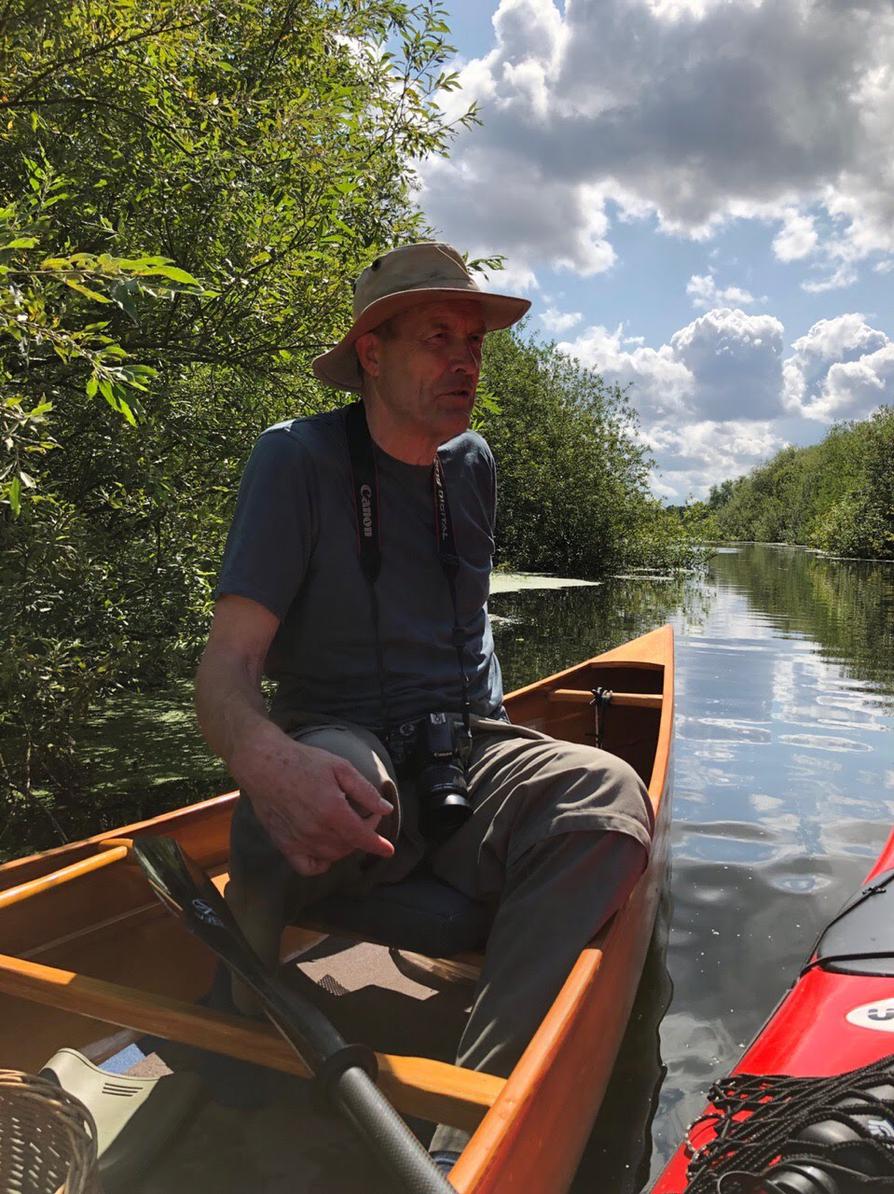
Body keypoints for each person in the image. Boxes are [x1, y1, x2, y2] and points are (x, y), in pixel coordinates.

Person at [195, 241, 654, 1171]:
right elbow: (225, 671)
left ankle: (473, 1135)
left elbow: (466, 626)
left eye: (476, 343)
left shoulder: (472, 464)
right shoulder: (297, 461)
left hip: (464, 744)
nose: (466, 361)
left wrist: (505, 755)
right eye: (438, 338)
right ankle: (240, 995)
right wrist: (268, 761)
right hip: (339, 737)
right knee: (348, 783)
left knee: (606, 799)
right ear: (371, 353)